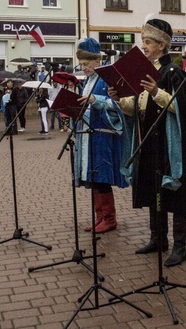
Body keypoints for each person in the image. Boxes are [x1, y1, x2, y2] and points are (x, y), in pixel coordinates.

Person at [111, 18, 186, 267]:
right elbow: (136, 108)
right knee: (154, 190)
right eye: (143, 41)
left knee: (176, 197)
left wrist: (156, 92)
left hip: (169, 145)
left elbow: (185, 108)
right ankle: (158, 239)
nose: (144, 46)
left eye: (149, 42)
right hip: (149, 143)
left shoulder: (174, 72)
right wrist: (119, 98)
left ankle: (179, 246)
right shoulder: (144, 71)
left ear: (162, 45)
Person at [73, 37, 128, 233]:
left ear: (97, 61)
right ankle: (100, 216)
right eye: (81, 64)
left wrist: (96, 100)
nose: (84, 67)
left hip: (102, 135)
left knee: (101, 176)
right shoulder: (88, 80)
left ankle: (109, 218)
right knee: (93, 177)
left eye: (86, 64)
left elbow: (117, 104)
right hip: (89, 134)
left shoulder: (106, 79)